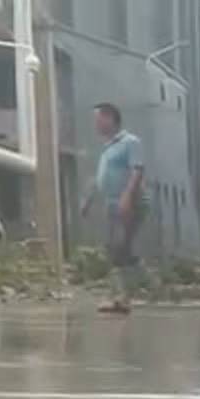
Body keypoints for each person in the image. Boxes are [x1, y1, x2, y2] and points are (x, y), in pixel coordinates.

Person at [81, 102, 145, 314]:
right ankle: (122, 294)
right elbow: (99, 178)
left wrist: (127, 197)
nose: (96, 124)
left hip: (128, 202)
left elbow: (137, 170)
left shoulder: (130, 142)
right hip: (111, 203)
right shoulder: (108, 148)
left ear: (109, 118)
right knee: (115, 249)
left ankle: (124, 296)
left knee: (119, 248)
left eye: (98, 119)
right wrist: (88, 199)